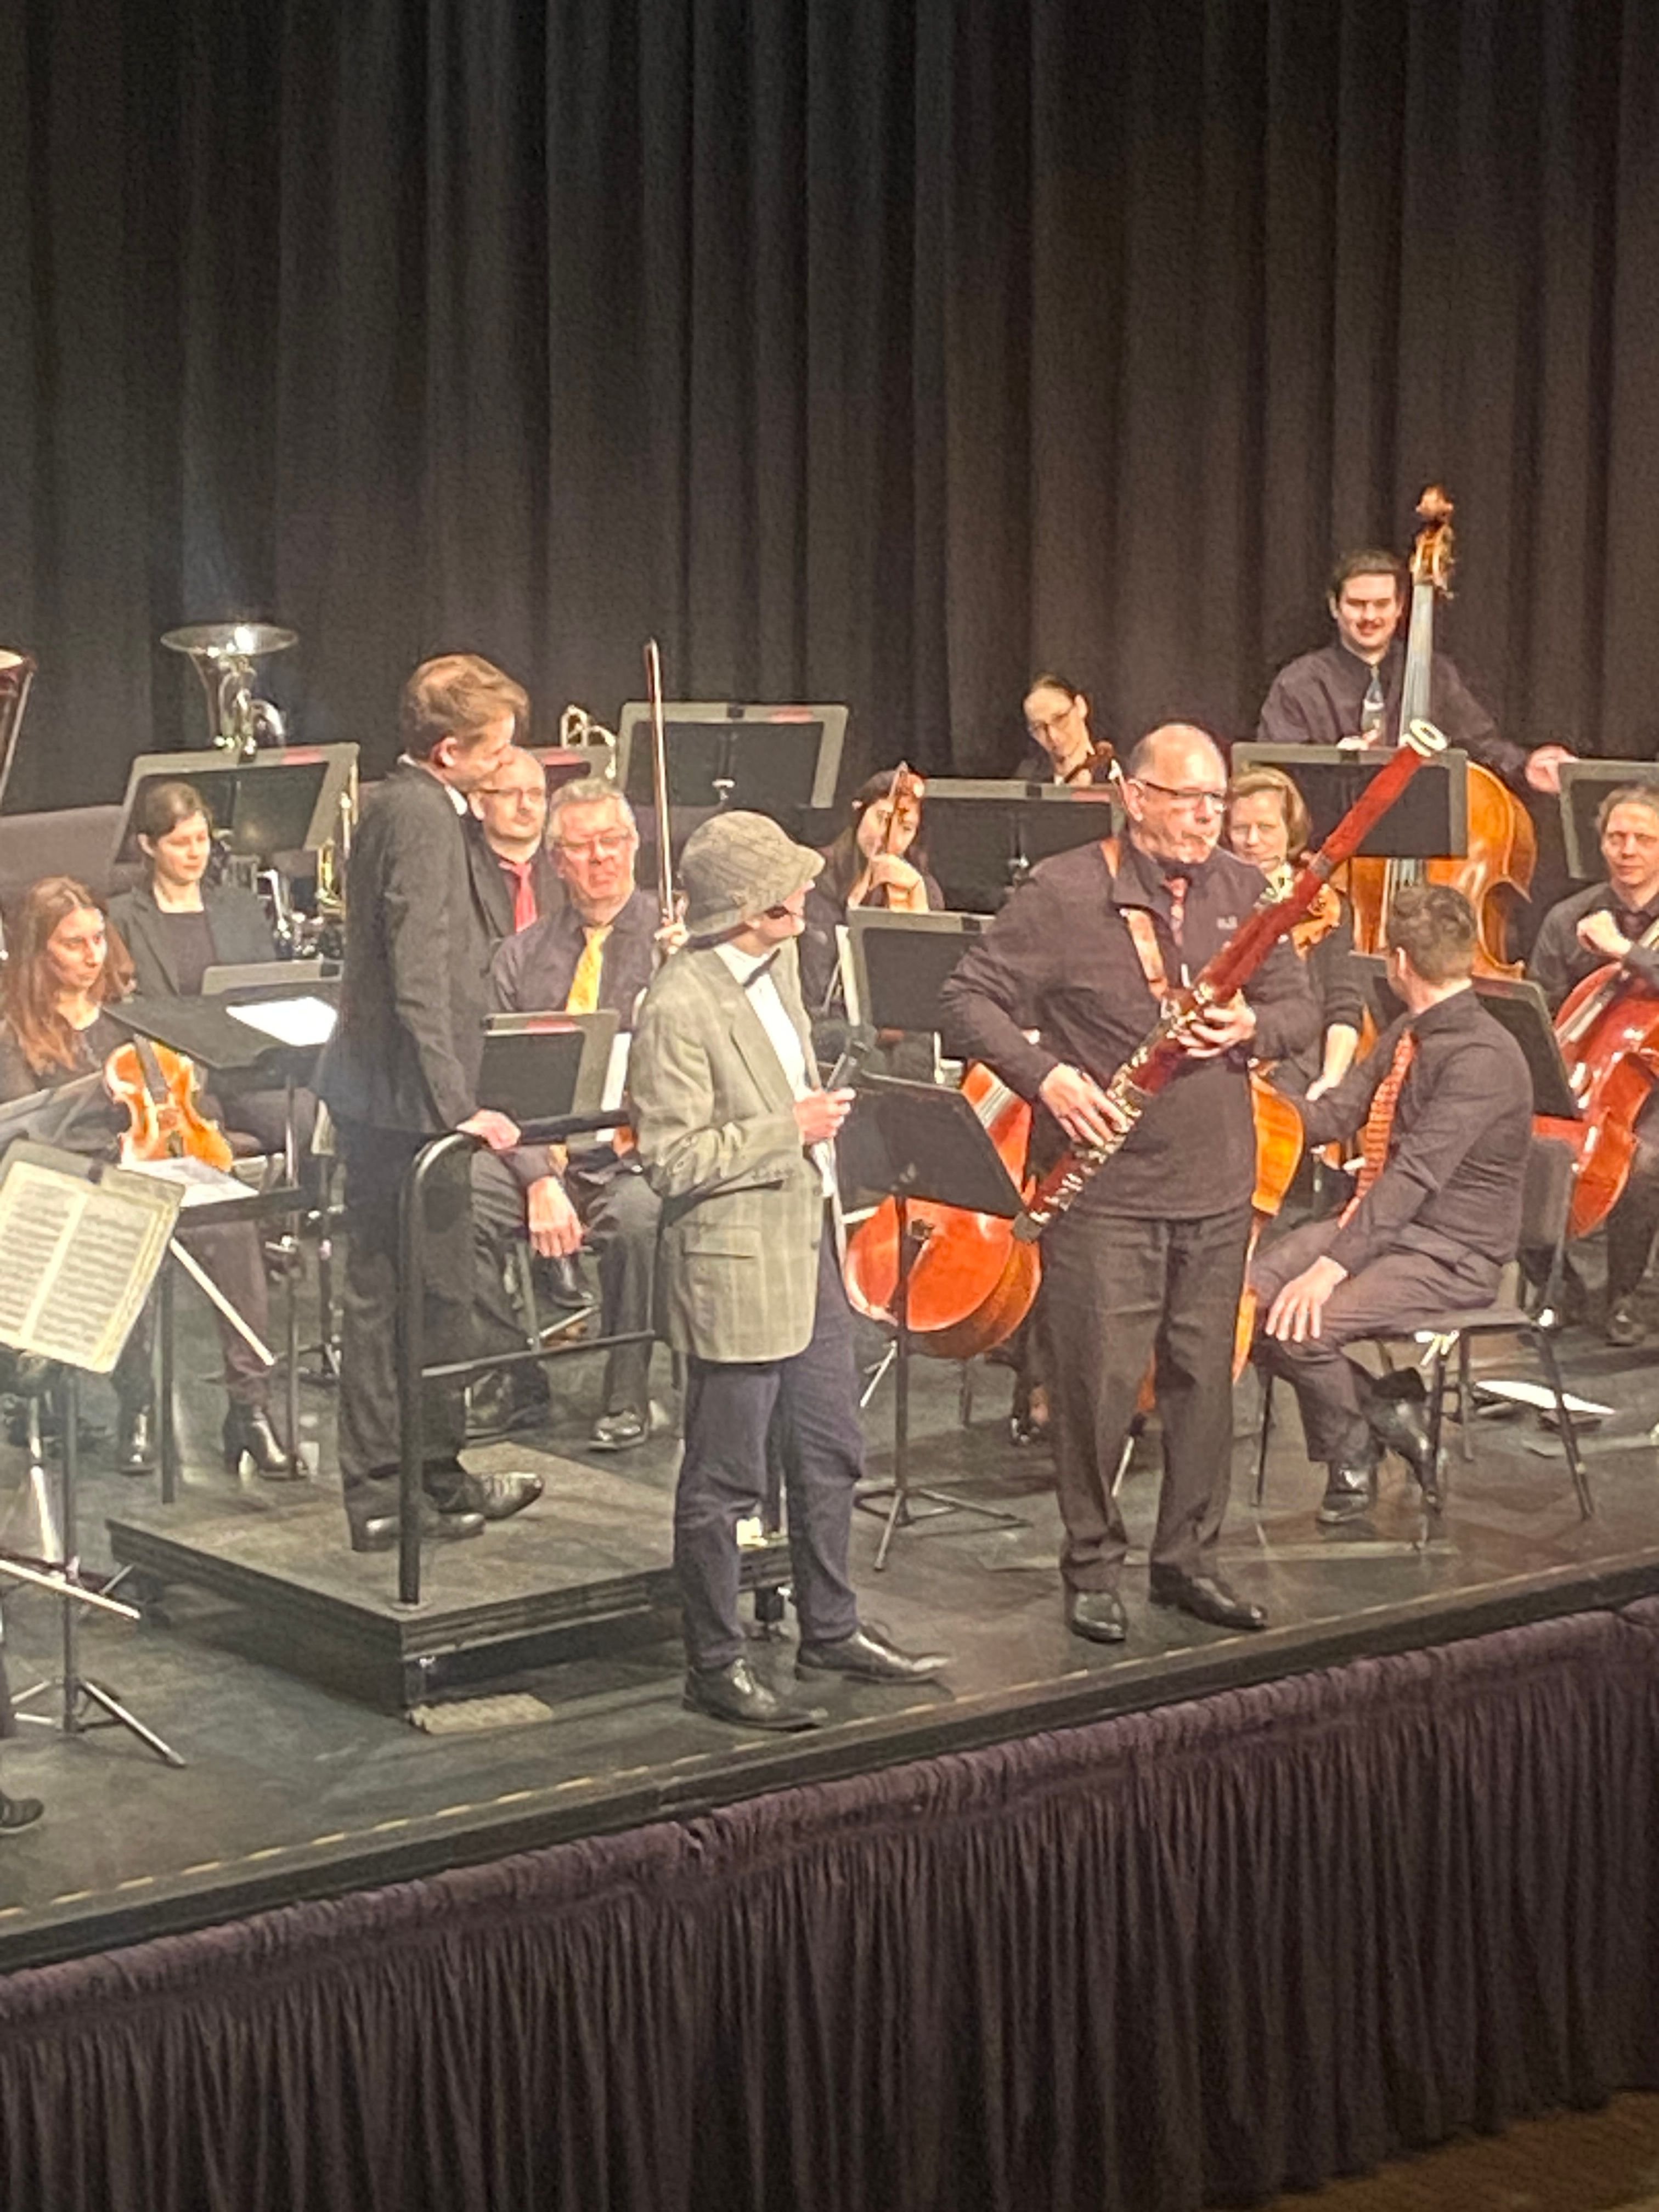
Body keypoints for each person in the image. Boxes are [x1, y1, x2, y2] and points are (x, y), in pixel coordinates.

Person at [940, 724, 1318, 1642]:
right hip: (1106, 1191)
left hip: (1217, 1182)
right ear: (1134, 795)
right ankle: (1091, 1565)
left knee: (1202, 1381)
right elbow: (963, 997)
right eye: (1187, 799)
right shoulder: (1064, 891)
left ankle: (1187, 1560)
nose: (1206, 817)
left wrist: (1247, 1031)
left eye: (1215, 801)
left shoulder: (1241, 888)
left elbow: (1300, 1006)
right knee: (1096, 1384)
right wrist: (1048, 1078)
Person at [628, 810, 949, 1729]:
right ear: (745, 906)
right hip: (733, 1267)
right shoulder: (679, 1003)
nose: (805, 892)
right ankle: (715, 1661)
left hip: (801, 1244)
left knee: (826, 1448)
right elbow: (670, 1158)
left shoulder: (772, 977)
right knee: (725, 1475)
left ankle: (830, 1625)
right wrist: (787, 1130)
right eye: (787, 884)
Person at [317, 653, 543, 1553]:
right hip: (405, 1107)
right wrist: (459, 1107)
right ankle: (393, 1491)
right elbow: (417, 969)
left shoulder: (418, 805)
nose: (508, 762)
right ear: (449, 751)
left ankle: (430, 1479)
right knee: (404, 1301)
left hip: (398, 1098)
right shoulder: (415, 814)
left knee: (425, 1298)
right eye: (496, 749)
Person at [1250, 884, 1532, 1523]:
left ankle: (1352, 1453)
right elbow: (1337, 1112)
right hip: (1384, 1231)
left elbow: (1412, 1178)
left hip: (1451, 1253)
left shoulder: (1482, 1058)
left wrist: (1330, 1268)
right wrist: (1248, 1108)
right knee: (1245, 1304)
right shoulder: (1409, 1031)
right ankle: (1389, 1412)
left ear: (1400, 962)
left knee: (1304, 1327)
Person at [0, 878, 289, 1476]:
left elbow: (192, 1101)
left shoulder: (132, 1018)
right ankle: (138, 1405)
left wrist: (191, 1124)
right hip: (84, 1181)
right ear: (39, 953)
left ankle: (249, 1406)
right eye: (73, 944)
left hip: (160, 1163)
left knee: (232, 1228)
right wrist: (112, 1136)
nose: (92, 954)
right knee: (131, 1232)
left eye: (99, 939)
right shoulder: (15, 1036)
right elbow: (27, 1135)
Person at [472, 776, 667, 1448]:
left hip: (634, 1154)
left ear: (635, 847)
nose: (600, 859)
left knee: (640, 1219)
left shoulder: (675, 944)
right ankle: (511, 1373)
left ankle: (627, 1393)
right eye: (582, 848)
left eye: (612, 842)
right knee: (452, 1195)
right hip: (542, 1151)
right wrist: (537, 1178)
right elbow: (493, 1086)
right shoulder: (521, 955)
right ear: (556, 861)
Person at [108, 778, 317, 1159]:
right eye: (180, 843)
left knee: (311, 1115)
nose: (195, 854)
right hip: (175, 1076)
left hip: (246, 1069)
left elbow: (267, 992)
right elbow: (123, 1007)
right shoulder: (122, 916)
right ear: (148, 846)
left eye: (201, 840)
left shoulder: (242, 908)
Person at [1257, 549, 1576, 797]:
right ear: (1334, 607)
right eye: (1357, 604)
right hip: (1327, 849)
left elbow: (1481, 746)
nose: (1370, 616)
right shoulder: (1298, 684)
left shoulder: (1436, 675)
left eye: (1382, 604)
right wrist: (1333, 765)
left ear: (1400, 607)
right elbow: (1271, 778)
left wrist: (1525, 765)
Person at [1528, 783, 1659, 1345]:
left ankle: (1625, 1294)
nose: (1628, 850)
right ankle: (1565, 1287)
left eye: (1644, 839)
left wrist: (1626, 952)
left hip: (1654, 1089)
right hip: (1589, 1074)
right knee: (1520, 1148)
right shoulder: (1567, 918)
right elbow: (1543, 1007)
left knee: (1644, 1164)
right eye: (1616, 838)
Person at [1225, 764, 1364, 1102]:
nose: (1252, 841)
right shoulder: (1215, 897)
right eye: (1241, 828)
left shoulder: (1325, 906)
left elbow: (1343, 1003)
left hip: (1299, 1060)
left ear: (1292, 830)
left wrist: (1331, 1079)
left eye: (1266, 828)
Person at [799, 768, 944, 1016]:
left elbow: (924, 985)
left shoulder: (925, 888)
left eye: (906, 828)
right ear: (859, 811)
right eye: (883, 819)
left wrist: (919, 910)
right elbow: (816, 985)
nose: (890, 838)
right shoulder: (816, 873)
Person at [464, 745, 561, 946]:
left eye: (535, 794)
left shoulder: (568, 867)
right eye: (510, 793)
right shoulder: (458, 869)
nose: (525, 805)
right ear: (478, 804)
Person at [1015, 673, 1115, 787]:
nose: (1053, 736)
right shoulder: (1027, 782)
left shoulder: (1120, 773)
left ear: (1080, 706)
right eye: (1039, 728)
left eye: (1060, 719)